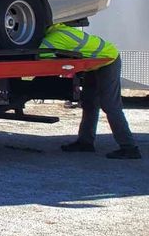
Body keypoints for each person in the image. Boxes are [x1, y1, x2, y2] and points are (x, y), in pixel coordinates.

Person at [40, 23, 142, 159]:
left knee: (110, 105)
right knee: (89, 102)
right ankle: (85, 142)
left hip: (107, 60)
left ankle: (129, 148)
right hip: (95, 63)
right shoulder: (60, 30)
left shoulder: (52, 39)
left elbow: (40, 56)